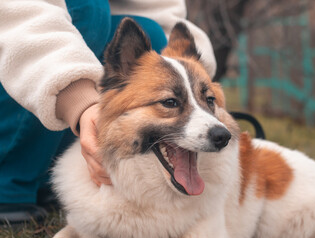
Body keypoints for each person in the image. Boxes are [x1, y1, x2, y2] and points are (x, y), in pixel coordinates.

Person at [0, 0, 216, 224]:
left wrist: (198, 87)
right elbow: (16, 10)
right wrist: (79, 101)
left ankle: (43, 174)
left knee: (152, 32)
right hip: (16, 28)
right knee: (89, 10)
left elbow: (161, 15)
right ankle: (9, 184)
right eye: (169, 102)